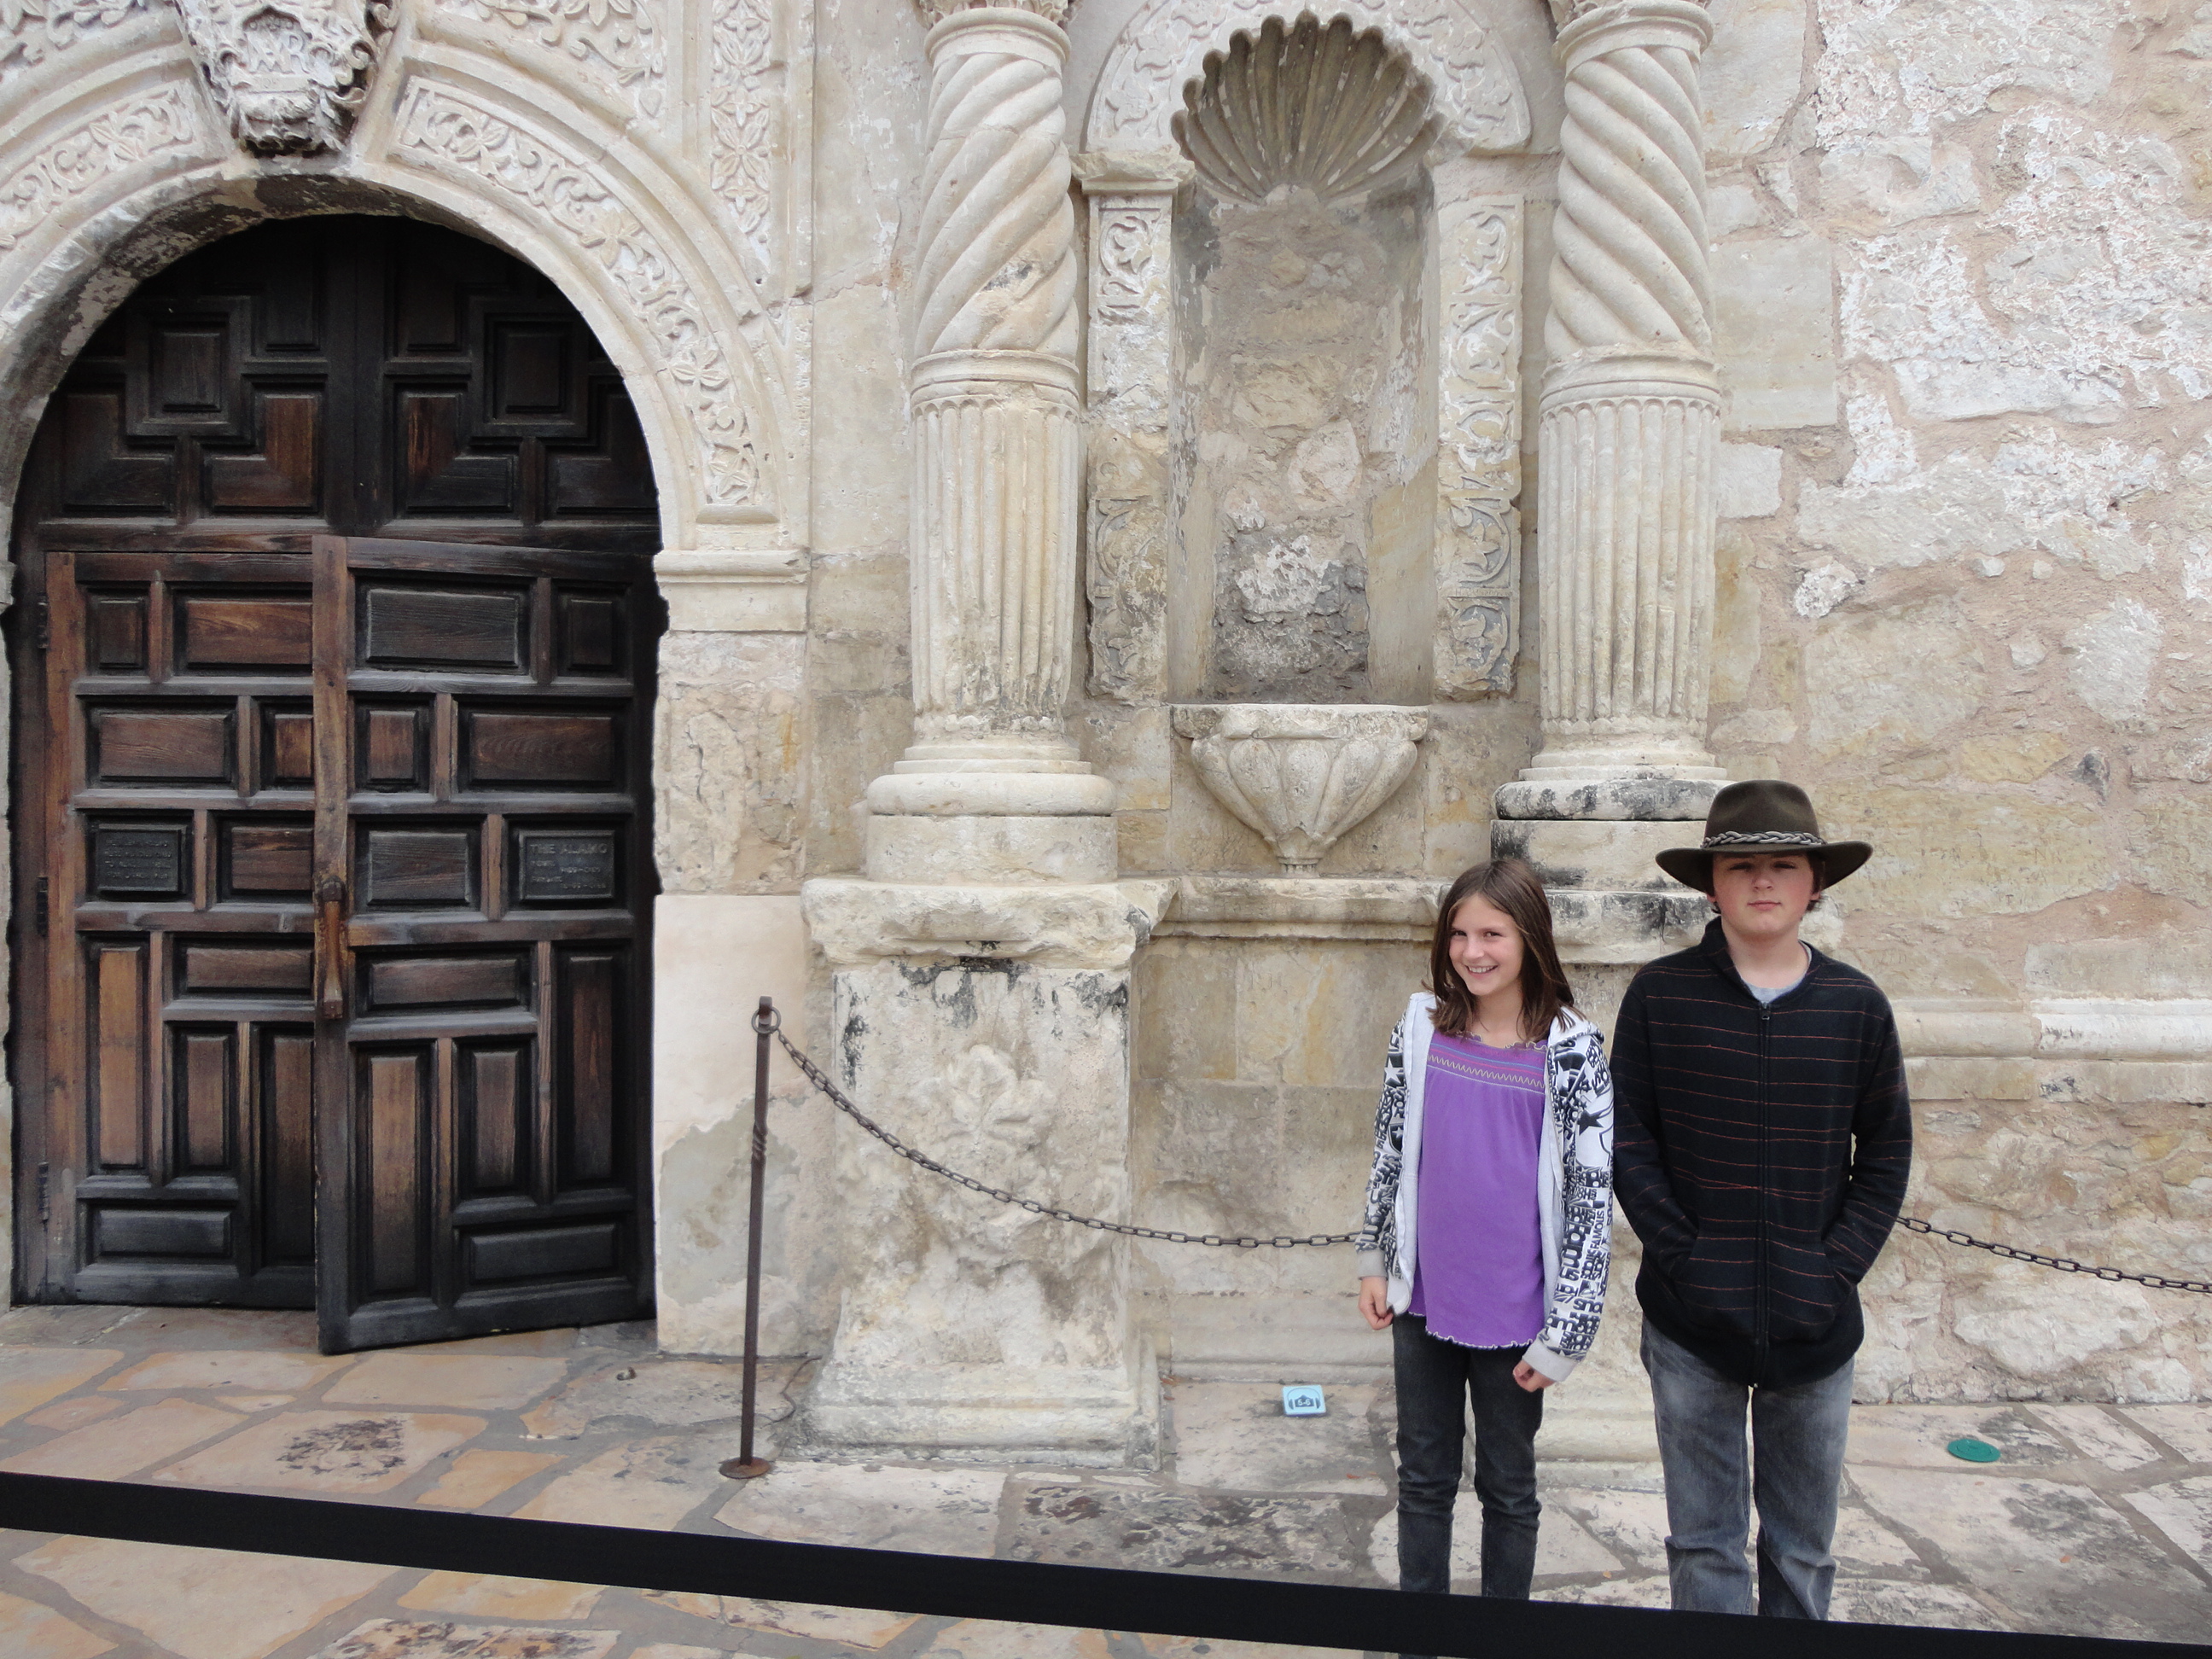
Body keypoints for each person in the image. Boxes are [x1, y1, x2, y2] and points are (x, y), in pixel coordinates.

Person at [1612, 779, 1912, 1620]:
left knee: (1802, 1551)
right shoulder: (1661, 997)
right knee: (1704, 1544)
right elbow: (1626, 1138)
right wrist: (1687, 1257)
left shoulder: (1856, 1006)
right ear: (1713, 886)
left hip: (1816, 1329)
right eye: (1742, 866)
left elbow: (1886, 1152)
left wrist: (1832, 1270)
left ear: (1815, 883)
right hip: (1690, 1325)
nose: (1764, 881)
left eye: (1784, 864)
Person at [1355, 856, 1615, 1636]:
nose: (1474, 952)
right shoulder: (1421, 1027)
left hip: (1516, 1318)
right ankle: (1420, 1639)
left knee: (1507, 1487)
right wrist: (1375, 1258)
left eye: (1493, 934)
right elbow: (1390, 1147)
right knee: (1423, 1479)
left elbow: (1589, 1203)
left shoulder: (1573, 1051)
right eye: (1460, 934)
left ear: (1530, 938)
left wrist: (1566, 1332)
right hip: (1424, 1300)